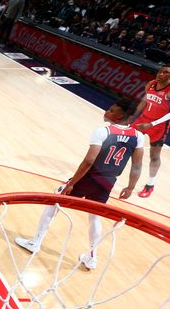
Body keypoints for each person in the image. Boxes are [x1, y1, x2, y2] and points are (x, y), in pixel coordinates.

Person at [16, 98, 144, 269]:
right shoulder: (138, 136)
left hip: (88, 178)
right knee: (94, 217)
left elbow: (89, 161)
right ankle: (92, 257)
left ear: (120, 115)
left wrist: (72, 183)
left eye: (111, 109)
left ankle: (35, 242)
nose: (106, 110)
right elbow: (136, 166)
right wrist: (130, 187)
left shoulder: (102, 131)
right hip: (107, 183)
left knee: (53, 201)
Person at [129, 64, 170, 198]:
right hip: (142, 120)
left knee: (154, 156)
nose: (161, 74)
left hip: (159, 126)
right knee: (123, 142)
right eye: (160, 71)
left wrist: (152, 123)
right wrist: (133, 117)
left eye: (166, 73)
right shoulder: (151, 84)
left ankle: (150, 185)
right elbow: (144, 101)